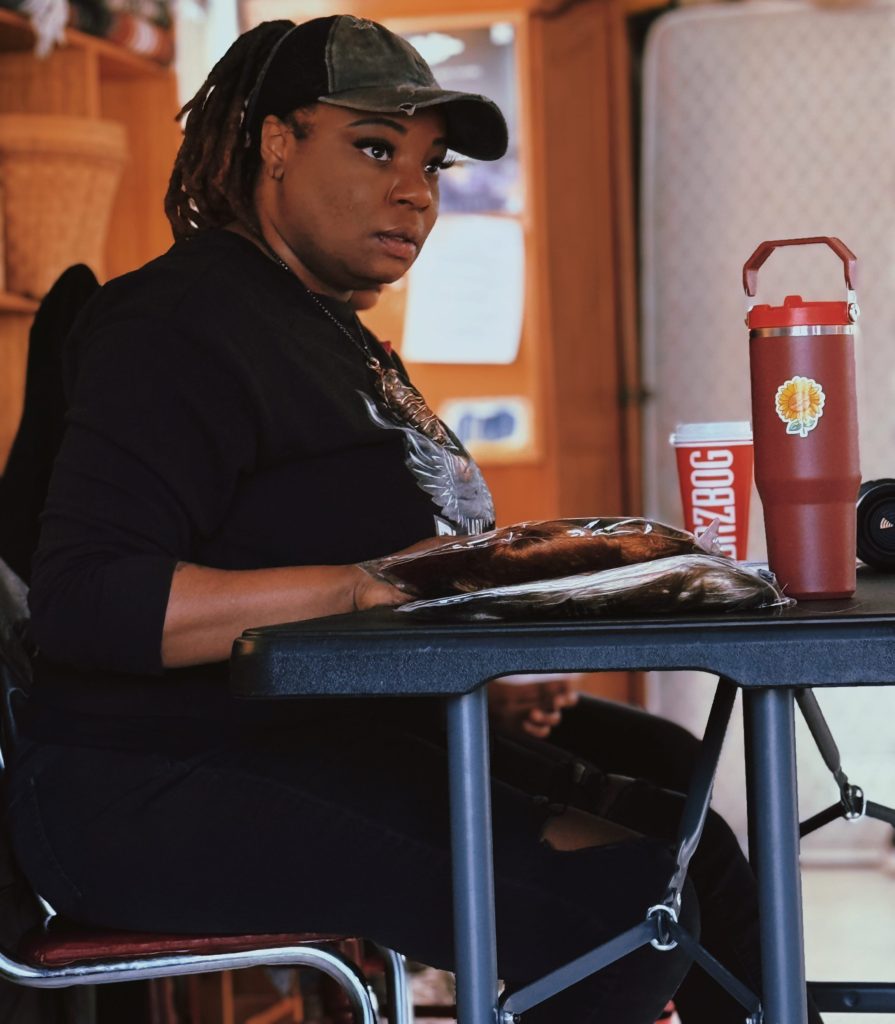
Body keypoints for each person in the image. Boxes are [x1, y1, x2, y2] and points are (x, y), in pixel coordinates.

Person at [6, 15, 793, 1023]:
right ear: (274, 143)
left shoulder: (329, 329)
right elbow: (86, 600)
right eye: (374, 148)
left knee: (689, 828)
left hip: (314, 735)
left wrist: (456, 669)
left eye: (432, 164)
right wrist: (367, 584)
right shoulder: (179, 323)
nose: (414, 190)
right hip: (156, 781)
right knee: (627, 911)